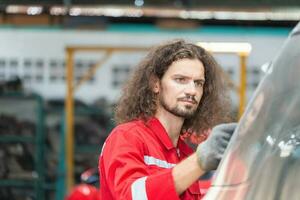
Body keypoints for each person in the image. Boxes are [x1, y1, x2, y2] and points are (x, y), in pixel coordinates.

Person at [98, 40, 236, 199]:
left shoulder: (185, 154)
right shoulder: (127, 137)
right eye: (180, 79)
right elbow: (131, 196)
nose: (192, 90)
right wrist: (198, 162)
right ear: (155, 84)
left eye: (198, 83)